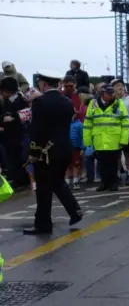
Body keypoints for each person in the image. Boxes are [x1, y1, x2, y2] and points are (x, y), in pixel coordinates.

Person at [24, 70, 83, 235]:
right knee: (58, 182)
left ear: (43, 84)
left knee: (43, 188)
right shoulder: (67, 102)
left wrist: (34, 152)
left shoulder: (40, 103)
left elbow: (38, 130)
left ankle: (43, 224)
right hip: (65, 148)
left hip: (46, 151)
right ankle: (74, 211)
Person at [83, 84, 129, 191]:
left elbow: (125, 122)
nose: (111, 95)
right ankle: (104, 182)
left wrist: (124, 139)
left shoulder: (119, 103)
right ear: (102, 94)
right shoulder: (93, 104)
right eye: (108, 93)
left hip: (114, 139)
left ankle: (113, 182)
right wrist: (88, 141)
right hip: (99, 139)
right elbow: (88, 123)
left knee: (113, 163)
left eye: (112, 93)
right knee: (102, 163)